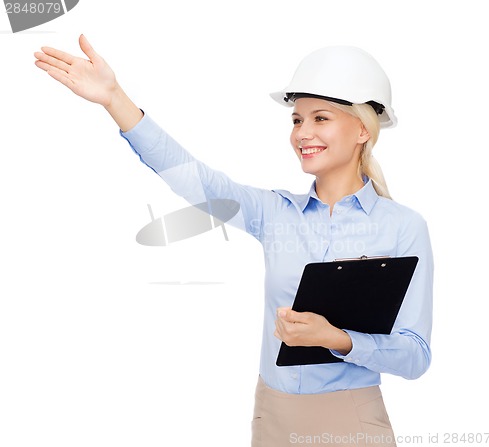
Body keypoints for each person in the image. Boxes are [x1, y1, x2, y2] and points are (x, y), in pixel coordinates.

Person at [34, 36, 433, 447]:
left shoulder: (403, 227)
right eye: (297, 120)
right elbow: (196, 179)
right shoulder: (274, 213)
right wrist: (114, 99)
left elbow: (415, 355)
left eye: (320, 118)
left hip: (353, 421)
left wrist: (338, 339)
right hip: (274, 416)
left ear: (362, 130)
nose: (302, 133)